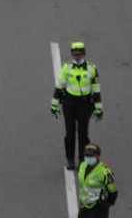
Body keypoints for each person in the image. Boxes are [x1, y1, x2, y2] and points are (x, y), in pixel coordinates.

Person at [51, 42, 102, 170]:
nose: (77, 57)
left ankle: (82, 160)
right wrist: (54, 105)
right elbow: (59, 87)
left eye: (79, 54)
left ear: (84, 54)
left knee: (83, 133)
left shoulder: (92, 68)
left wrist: (99, 108)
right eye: (74, 55)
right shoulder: (67, 68)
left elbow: (96, 90)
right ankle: (70, 159)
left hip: (84, 105)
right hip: (69, 103)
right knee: (70, 133)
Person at [77, 144, 118, 217]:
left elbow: (113, 192)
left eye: (91, 156)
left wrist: (105, 205)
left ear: (98, 156)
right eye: (87, 155)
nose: (88, 158)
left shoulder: (104, 171)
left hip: (98, 208)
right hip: (84, 206)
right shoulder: (82, 165)